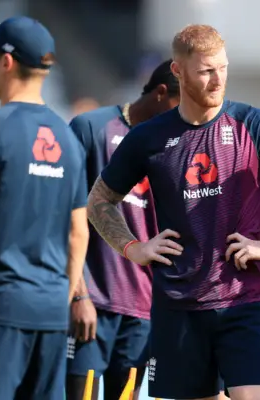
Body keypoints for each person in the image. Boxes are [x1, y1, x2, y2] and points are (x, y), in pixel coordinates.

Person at [86, 24, 260, 400]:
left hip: (245, 301)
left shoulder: (255, 123)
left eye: (223, 67)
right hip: (179, 308)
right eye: (205, 70)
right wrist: (132, 247)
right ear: (178, 71)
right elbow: (99, 201)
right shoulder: (149, 137)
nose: (218, 79)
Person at [0, 16, 88, 400]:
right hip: (49, 311)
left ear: (7, 62)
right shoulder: (68, 136)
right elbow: (78, 232)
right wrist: (57, 299)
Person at [65, 60, 181, 400]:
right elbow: (63, 218)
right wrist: (79, 294)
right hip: (91, 305)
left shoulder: (178, 145)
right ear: (161, 94)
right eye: (181, 103)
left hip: (142, 314)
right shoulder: (92, 127)